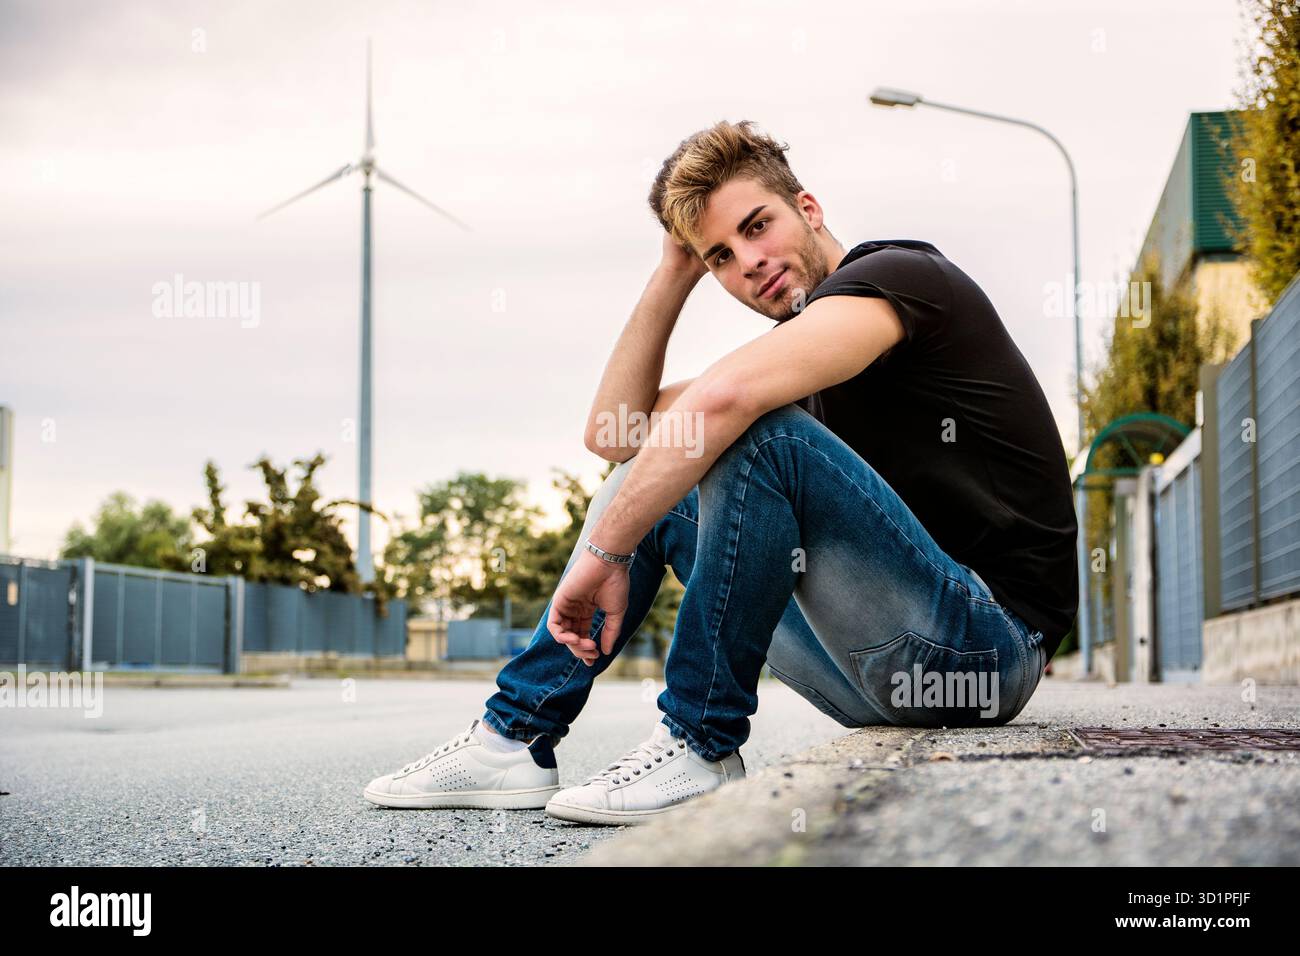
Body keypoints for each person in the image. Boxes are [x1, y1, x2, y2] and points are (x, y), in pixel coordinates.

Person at [363, 119, 1079, 825]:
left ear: (809, 207)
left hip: (986, 651)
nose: (749, 261)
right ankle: (513, 738)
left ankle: (698, 744)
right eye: (720, 256)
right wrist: (673, 269)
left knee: (739, 427)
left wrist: (605, 553)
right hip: (873, 670)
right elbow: (616, 432)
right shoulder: (795, 357)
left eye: (758, 226)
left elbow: (723, 403)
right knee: (671, 462)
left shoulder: (904, 278)